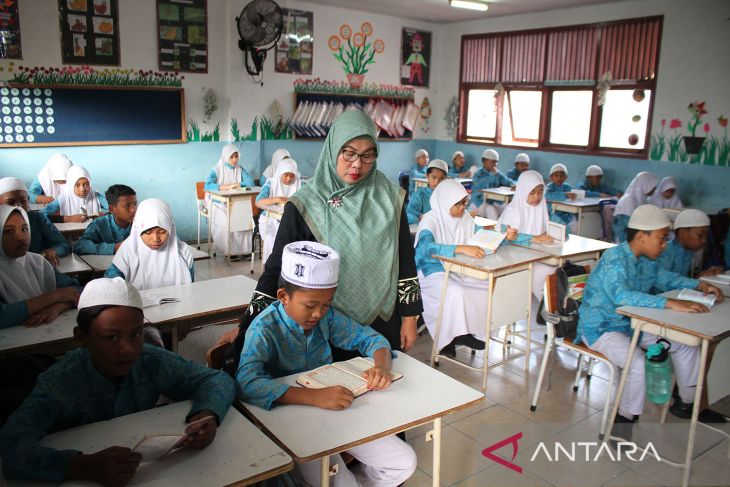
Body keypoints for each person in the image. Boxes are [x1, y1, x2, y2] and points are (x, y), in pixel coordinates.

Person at [0, 277, 237, 485]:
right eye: (111, 337)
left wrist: (207, 413)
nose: (127, 349)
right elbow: (11, 447)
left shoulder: (150, 359)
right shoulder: (60, 382)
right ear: (81, 338)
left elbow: (215, 379)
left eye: (136, 334)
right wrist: (82, 466)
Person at [235, 110, 422, 359]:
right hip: (326, 321)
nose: (357, 164)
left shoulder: (389, 198)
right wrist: (246, 327)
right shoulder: (306, 204)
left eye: (368, 155)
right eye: (349, 153)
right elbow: (277, 268)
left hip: (383, 320)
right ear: (334, 148)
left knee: (382, 386)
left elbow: (405, 258)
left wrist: (410, 318)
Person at [237, 242, 416, 487]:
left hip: (336, 410)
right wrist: (314, 397)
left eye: (326, 304)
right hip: (292, 425)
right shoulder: (264, 329)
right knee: (340, 481)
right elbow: (247, 383)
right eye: (310, 306)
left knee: (403, 461)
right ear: (283, 296)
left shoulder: (326, 318)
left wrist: (382, 367)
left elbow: (371, 339)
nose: (319, 314)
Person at [576, 205, 724, 441]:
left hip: (633, 325)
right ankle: (622, 423)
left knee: (686, 346)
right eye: (662, 239)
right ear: (642, 237)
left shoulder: (646, 260)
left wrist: (699, 285)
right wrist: (670, 304)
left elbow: (665, 279)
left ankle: (688, 404)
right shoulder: (615, 258)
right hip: (601, 328)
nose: (665, 245)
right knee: (636, 363)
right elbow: (620, 296)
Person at [415, 180, 493, 358]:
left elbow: (482, 234)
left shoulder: (464, 218)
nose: (463, 208)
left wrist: (504, 234)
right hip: (432, 270)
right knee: (455, 292)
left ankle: (466, 332)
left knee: (484, 287)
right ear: (445, 202)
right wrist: (459, 248)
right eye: (458, 204)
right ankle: (447, 340)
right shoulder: (430, 220)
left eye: (465, 203)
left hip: (458, 267)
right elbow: (425, 248)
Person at [0, 206, 79, 329]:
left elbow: (76, 290)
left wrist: (57, 307)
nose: (21, 237)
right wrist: (54, 296)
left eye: (24, 229)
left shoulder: (36, 261)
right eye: (9, 231)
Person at [105, 198, 194, 290]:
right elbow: (112, 289)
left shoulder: (183, 251)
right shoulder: (127, 251)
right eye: (148, 232)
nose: (156, 239)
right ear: (138, 228)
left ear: (170, 228)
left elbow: (191, 288)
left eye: (162, 231)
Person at [499, 170, 557, 302]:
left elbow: (555, 227)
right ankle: (549, 311)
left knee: (554, 268)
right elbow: (504, 238)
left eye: (540, 192)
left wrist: (554, 234)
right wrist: (533, 238)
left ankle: (552, 309)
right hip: (512, 258)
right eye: (532, 192)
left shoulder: (541, 208)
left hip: (535, 255)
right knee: (544, 273)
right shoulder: (513, 210)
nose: (537, 197)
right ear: (523, 190)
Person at [0, 177, 70, 266]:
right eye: (10, 202)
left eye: (23, 201)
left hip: (38, 266)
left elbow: (63, 245)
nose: (18, 206)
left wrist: (52, 251)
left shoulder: (37, 218)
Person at [204, 143, 256, 259]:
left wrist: (237, 184)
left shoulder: (240, 169)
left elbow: (250, 183)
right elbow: (208, 186)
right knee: (226, 222)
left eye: (236, 157)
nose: (234, 160)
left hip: (235, 202)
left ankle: (245, 250)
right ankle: (229, 252)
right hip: (218, 204)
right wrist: (226, 187)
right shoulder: (216, 170)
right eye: (231, 157)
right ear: (225, 156)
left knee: (244, 220)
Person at [256, 158, 301, 262]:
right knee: (271, 238)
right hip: (270, 220)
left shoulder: (299, 184)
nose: (289, 179)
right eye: (286, 175)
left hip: (290, 221)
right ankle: (271, 266)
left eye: (292, 175)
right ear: (280, 172)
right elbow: (258, 202)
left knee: (293, 241)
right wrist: (279, 199)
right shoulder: (272, 183)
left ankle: (286, 269)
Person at [657, 209, 724, 278]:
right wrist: (695, 282)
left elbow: (681, 278)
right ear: (682, 233)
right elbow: (664, 283)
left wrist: (701, 275)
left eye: (706, 236)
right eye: (700, 235)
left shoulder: (687, 252)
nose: (704, 240)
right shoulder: (664, 252)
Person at [73, 184, 137, 256]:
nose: (133, 210)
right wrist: (114, 248)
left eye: (135, 204)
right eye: (127, 206)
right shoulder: (99, 224)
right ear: (112, 209)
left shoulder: (140, 224)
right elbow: (79, 245)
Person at [41, 165, 108, 223]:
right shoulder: (63, 198)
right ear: (71, 185)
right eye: (77, 185)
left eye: (86, 184)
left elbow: (114, 208)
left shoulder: (95, 196)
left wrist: (104, 215)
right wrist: (69, 219)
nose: (82, 189)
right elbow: (41, 215)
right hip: (70, 235)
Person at [612, 171, 659, 243]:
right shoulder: (628, 200)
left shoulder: (641, 199)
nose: (655, 189)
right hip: (623, 241)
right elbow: (630, 226)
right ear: (645, 185)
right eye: (653, 186)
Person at [471, 148, 515, 219]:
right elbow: (479, 186)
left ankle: (502, 229)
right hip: (478, 203)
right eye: (493, 162)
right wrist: (492, 175)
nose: (495, 164)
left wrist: (514, 185)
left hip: (492, 202)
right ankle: (492, 230)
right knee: (492, 211)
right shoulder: (478, 174)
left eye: (496, 162)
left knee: (507, 209)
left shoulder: (497, 174)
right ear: (484, 161)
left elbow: (507, 181)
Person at [406, 159, 448, 225]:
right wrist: (421, 217)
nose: (437, 182)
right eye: (434, 177)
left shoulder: (449, 195)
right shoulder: (420, 195)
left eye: (441, 179)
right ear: (427, 176)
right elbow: (409, 213)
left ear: (446, 179)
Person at [545, 163, 578, 234]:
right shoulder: (549, 187)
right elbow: (548, 196)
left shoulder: (567, 187)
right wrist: (565, 194)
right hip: (553, 215)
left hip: (567, 215)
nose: (559, 178)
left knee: (576, 228)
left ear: (566, 177)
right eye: (556, 175)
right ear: (551, 177)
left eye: (562, 176)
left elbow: (576, 194)